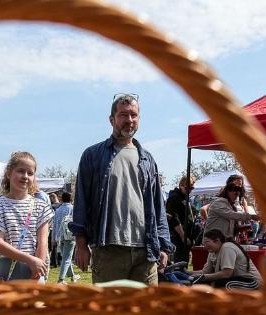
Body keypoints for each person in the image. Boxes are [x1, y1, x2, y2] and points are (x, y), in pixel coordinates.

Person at [69, 93, 173, 285]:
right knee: (110, 312)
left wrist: (164, 246)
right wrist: (81, 244)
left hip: (146, 251)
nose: (129, 120)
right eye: (123, 115)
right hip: (109, 250)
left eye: (134, 115)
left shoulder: (148, 159)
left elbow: (158, 206)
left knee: (145, 312)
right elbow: (81, 202)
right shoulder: (93, 155)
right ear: (112, 119)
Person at [0, 151, 53, 282]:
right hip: (8, 269)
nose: (25, 176)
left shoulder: (41, 206)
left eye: (30, 173)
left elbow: (42, 242)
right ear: (9, 173)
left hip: (35, 268)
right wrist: (29, 259)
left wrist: (36, 270)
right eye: (20, 171)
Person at [191, 229, 262, 291]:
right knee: (199, 283)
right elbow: (206, 271)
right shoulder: (212, 251)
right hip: (235, 279)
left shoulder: (227, 247)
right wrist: (187, 273)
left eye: (207, 242)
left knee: (222, 285)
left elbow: (227, 273)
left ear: (217, 241)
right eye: (204, 243)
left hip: (252, 282)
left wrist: (204, 277)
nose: (204, 246)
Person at [165, 176, 196, 263]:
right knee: (179, 263)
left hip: (186, 236)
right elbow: (174, 219)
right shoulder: (174, 197)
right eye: (187, 188)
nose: (190, 190)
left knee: (184, 262)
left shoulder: (184, 198)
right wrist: (183, 236)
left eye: (192, 188)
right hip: (178, 237)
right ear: (181, 185)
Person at [52, 191, 80, 283]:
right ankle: (61, 280)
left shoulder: (58, 210)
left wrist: (53, 238)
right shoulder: (73, 209)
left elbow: (55, 224)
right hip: (69, 236)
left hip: (59, 236)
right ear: (71, 199)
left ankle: (72, 275)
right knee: (67, 258)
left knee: (66, 257)